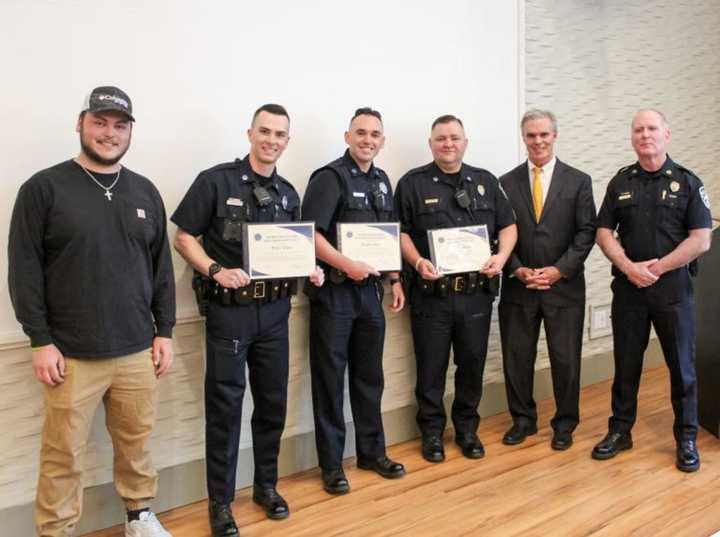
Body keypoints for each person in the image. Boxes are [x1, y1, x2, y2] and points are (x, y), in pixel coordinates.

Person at [8, 86, 175, 537]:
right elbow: (24, 270)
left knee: (136, 443)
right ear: (80, 124)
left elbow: (161, 268)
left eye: (119, 125)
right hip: (70, 355)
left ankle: (139, 517)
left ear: (130, 132)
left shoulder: (144, 190)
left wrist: (166, 332)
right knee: (62, 453)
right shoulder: (44, 188)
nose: (109, 133)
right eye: (99, 123)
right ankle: (57, 530)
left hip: (137, 349)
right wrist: (39, 339)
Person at [172, 104, 323, 535]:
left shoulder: (289, 193)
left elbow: (292, 250)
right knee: (225, 409)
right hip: (230, 314)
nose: (271, 140)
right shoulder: (215, 181)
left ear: (287, 142)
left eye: (279, 134)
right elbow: (184, 237)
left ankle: (266, 486)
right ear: (250, 133)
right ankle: (220, 503)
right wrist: (215, 270)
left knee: (272, 404)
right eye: (265, 131)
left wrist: (309, 268)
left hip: (276, 313)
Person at [592, 109, 712, 472]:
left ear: (666, 135)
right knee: (626, 364)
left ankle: (686, 438)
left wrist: (657, 268)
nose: (645, 135)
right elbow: (602, 232)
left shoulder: (688, 183)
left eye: (652, 129)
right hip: (629, 289)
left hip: (672, 291)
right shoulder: (620, 182)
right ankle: (620, 431)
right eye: (638, 130)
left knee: (682, 368)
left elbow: (701, 240)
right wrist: (630, 267)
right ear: (632, 138)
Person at [395, 115, 517, 463]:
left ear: (465, 142)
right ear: (431, 144)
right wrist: (418, 261)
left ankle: (467, 430)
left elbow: (508, 225)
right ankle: (432, 434)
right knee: (431, 369)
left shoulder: (485, 181)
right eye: (441, 139)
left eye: (454, 138)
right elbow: (400, 232)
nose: (448, 144)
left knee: (471, 365)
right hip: (432, 296)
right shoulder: (412, 184)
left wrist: (501, 256)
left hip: (476, 295)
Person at [301, 107, 406, 496]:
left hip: (369, 293)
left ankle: (371, 452)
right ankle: (331, 466)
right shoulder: (329, 178)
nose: (367, 140)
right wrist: (347, 264)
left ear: (382, 140)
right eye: (360, 133)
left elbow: (388, 235)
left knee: (369, 377)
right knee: (330, 381)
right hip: (335, 293)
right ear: (348, 136)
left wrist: (394, 278)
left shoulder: (382, 180)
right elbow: (309, 234)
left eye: (375, 134)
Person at [498, 109, 596, 450]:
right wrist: (516, 268)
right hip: (519, 286)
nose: (537, 141)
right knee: (517, 358)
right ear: (523, 138)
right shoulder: (505, 183)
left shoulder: (578, 181)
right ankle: (522, 421)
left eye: (543, 135)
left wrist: (559, 270)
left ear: (555, 136)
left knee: (566, 359)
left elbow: (586, 233)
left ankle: (565, 424)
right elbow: (498, 234)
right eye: (530, 135)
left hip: (564, 287)